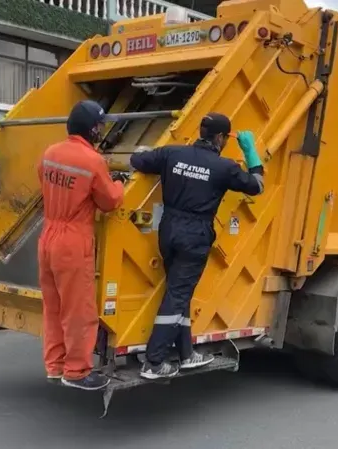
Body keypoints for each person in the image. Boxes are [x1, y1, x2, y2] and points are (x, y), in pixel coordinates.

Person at [129, 112, 265, 379]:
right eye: (226, 137)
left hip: (168, 229)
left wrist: (144, 150)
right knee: (178, 295)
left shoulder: (172, 154)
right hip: (195, 233)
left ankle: (186, 353)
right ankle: (154, 362)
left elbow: (137, 160)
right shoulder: (224, 167)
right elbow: (257, 187)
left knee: (180, 291)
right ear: (220, 137)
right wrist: (251, 154)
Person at [37, 100, 125, 391]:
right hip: (73, 241)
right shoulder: (92, 161)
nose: (101, 130)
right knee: (79, 311)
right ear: (92, 128)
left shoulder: (50, 153)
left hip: (48, 234)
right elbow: (109, 201)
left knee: (54, 306)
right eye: (99, 126)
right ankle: (76, 372)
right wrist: (121, 184)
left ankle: (55, 365)